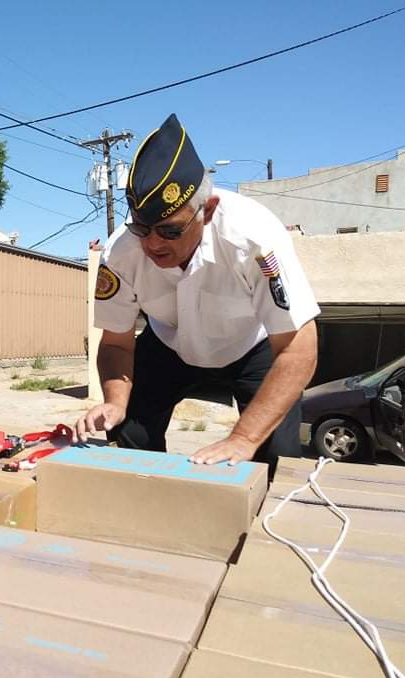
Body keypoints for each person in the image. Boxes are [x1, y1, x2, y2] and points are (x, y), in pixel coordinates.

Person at [76, 114, 320, 472]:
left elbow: (299, 349)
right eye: (142, 228)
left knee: (277, 459)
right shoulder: (121, 253)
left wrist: (244, 438)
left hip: (251, 348)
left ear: (207, 210)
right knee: (129, 434)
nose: (152, 244)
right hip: (169, 346)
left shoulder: (254, 238)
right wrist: (114, 401)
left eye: (169, 230)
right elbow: (116, 343)